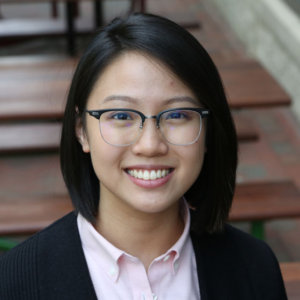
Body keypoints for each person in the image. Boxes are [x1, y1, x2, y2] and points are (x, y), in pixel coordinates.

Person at [0, 13, 286, 300]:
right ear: (81, 131)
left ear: (208, 130)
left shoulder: (255, 269)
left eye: (177, 115)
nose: (150, 145)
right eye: (122, 115)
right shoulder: (15, 283)